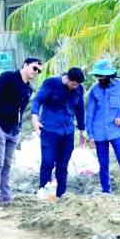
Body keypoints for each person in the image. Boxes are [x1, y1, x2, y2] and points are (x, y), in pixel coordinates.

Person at [0, 57, 42, 205]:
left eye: (38, 70)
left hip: (14, 129)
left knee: (7, 164)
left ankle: (6, 196)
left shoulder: (28, 88)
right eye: (34, 68)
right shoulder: (8, 77)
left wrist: (19, 128)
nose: (36, 72)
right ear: (25, 65)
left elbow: (21, 110)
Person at [85, 59, 120, 193]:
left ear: (109, 75)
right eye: (97, 76)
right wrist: (90, 135)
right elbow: (90, 114)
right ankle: (106, 192)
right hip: (99, 134)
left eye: (101, 75)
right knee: (103, 165)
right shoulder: (94, 90)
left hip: (117, 132)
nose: (98, 78)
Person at [31, 66, 87, 198]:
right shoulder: (51, 83)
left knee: (63, 165)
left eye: (77, 84)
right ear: (67, 77)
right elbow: (37, 100)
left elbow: (80, 110)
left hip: (68, 131)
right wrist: (34, 117)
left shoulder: (78, 89)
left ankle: (61, 194)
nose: (75, 87)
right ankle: (43, 191)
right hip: (50, 130)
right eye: (73, 83)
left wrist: (82, 130)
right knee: (48, 162)